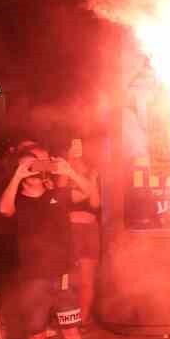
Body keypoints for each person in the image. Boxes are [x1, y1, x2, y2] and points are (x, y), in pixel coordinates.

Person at [0, 146, 98, 339]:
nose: (34, 169)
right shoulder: (17, 199)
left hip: (63, 276)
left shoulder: (58, 194)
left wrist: (70, 172)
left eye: (37, 164)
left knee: (71, 331)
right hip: (33, 278)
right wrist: (17, 177)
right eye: (28, 166)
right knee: (36, 333)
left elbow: (89, 193)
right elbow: (4, 210)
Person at [65, 138, 102, 327]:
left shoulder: (92, 173)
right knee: (70, 279)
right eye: (73, 147)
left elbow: (95, 203)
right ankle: (68, 319)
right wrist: (68, 163)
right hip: (70, 230)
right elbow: (65, 197)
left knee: (87, 279)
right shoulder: (63, 173)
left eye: (79, 147)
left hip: (89, 230)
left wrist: (92, 181)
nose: (77, 151)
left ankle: (83, 320)